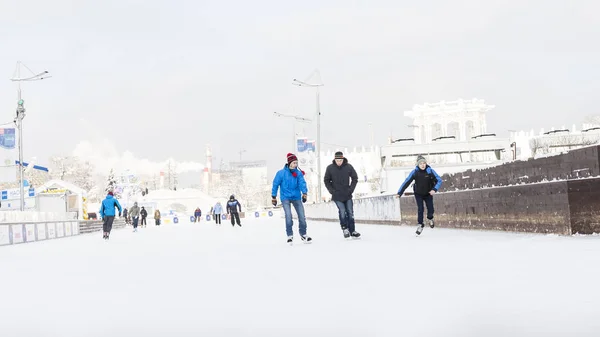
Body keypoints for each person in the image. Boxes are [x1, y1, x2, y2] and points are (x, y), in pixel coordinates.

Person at [397, 155, 442, 235]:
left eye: (424, 163)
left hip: (428, 193)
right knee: (420, 209)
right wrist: (399, 193)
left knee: (430, 209)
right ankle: (420, 225)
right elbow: (406, 182)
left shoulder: (430, 171)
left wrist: (434, 189)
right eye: (420, 163)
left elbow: (439, 180)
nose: (422, 165)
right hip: (418, 194)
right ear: (418, 164)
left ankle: (430, 218)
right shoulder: (415, 172)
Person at [271, 153, 311, 244]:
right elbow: (275, 184)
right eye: (293, 163)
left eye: (296, 163)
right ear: (289, 163)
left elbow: (302, 183)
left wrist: (304, 193)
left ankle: (303, 234)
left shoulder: (298, 173)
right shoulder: (281, 173)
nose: (295, 165)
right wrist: (273, 197)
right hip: (285, 197)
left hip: (296, 197)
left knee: (302, 215)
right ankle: (290, 235)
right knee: (288, 216)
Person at [324, 151, 360, 239]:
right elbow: (326, 180)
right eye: (337, 160)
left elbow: (355, 178)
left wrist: (351, 189)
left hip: (347, 194)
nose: (339, 162)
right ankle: (345, 229)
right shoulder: (330, 168)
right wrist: (332, 191)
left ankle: (352, 231)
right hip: (337, 195)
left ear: (343, 159)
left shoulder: (348, 167)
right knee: (342, 211)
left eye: (340, 160)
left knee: (350, 212)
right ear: (335, 160)